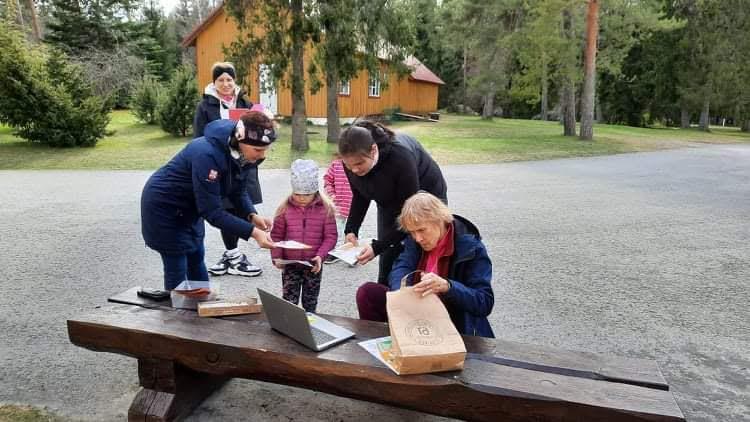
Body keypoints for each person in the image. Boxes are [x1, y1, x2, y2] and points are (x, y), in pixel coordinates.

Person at [141, 111, 276, 290]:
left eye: (266, 149)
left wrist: (251, 215)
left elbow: (238, 190)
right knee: (177, 263)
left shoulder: (242, 154)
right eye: (258, 150)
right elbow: (212, 212)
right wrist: (253, 233)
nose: (262, 155)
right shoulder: (207, 154)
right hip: (164, 207)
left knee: (197, 256)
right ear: (239, 140)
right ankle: (176, 307)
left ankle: (201, 303)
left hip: (190, 206)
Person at [356, 192, 494, 337]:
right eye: (412, 232)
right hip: (417, 310)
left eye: (422, 230)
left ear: (440, 220)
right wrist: (402, 290)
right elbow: (401, 267)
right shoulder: (415, 241)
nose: (418, 238)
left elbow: (485, 302)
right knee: (368, 292)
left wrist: (448, 287)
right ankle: (382, 343)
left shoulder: (471, 247)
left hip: (453, 320)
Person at [339, 120, 447, 284]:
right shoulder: (352, 161)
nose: (354, 170)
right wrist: (351, 229)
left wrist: (377, 247)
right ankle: (385, 289)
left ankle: (425, 288)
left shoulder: (401, 158)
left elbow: (410, 215)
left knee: (419, 243)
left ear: (373, 149)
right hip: (388, 195)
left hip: (425, 192)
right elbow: (360, 195)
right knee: (389, 254)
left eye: (359, 164)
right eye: (349, 165)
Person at [193, 62, 266, 277]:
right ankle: (232, 254)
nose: (225, 84)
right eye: (221, 80)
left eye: (229, 79)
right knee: (226, 208)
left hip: (243, 163)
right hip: (219, 164)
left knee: (241, 204)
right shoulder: (205, 106)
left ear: (235, 81)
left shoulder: (245, 103)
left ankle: (231, 254)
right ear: (214, 82)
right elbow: (199, 137)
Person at [270, 159, 338, 312]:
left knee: (310, 301)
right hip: (290, 265)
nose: (301, 198)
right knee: (289, 301)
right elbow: (276, 236)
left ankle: (310, 322)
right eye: (297, 194)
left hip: (313, 265)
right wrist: (277, 256)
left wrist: (321, 255)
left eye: (306, 194)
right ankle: (289, 323)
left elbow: (331, 237)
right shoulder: (284, 209)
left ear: (315, 191)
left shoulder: (325, 210)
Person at [322, 154, 353, 264]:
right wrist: (331, 194)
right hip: (338, 205)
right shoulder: (336, 165)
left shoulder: (356, 165)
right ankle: (336, 253)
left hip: (354, 206)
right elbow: (327, 180)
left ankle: (352, 253)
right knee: (336, 230)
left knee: (354, 230)